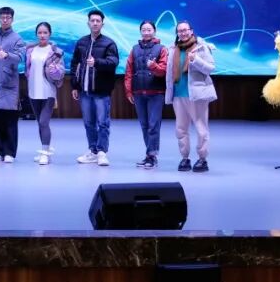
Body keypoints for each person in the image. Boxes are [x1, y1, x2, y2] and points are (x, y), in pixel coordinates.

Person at [166, 20, 217, 172]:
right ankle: (185, 158)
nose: (182, 33)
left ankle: (202, 159)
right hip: (178, 94)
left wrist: (196, 60)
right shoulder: (173, 49)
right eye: (179, 31)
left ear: (191, 31)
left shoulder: (201, 47)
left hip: (197, 95)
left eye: (185, 30)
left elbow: (211, 68)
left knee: (201, 128)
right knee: (181, 128)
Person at [71, 9, 120, 166]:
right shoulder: (81, 42)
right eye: (92, 20)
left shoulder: (109, 43)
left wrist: (97, 62)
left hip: (101, 91)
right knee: (88, 122)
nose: (95, 23)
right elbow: (74, 64)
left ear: (102, 24)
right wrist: (74, 85)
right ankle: (92, 151)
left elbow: (113, 62)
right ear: (88, 23)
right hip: (84, 91)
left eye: (98, 21)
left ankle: (102, 152)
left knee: (103, 122)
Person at [125, 20, 168, 169]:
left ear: (154, 31)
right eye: (144, 30)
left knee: (153, 125)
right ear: (140, 32)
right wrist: (128, 91)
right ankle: (149, 154)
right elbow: (129, 71)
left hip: (156, 92)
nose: (146, 32)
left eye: (149, 30)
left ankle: (152, 156)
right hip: (138, 92)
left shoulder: (161, 49)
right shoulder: (134, 49)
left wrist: (154, 66)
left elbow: (163, 70)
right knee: (144, 125)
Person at [0, 6, 26, 163]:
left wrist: (7, 55)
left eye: (8, 17)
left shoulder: (17, 38)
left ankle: (10, 152)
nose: (5, 20)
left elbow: (21, 57)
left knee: (10, 120)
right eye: (2, 17)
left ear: (12, 19)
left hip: (9, 85)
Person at [24, 22, 65, 165]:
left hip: (48, 92)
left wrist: (55, 70)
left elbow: (61, 73)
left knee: (43, 122)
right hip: (33, 90)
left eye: (45, 32)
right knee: (39, 123)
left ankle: (45, 154)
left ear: (50, 34)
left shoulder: (56, 52)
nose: (42, 35)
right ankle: (44, 151)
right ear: (36, 34)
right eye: (40, 33)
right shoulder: (30, 50)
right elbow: (27, 69)